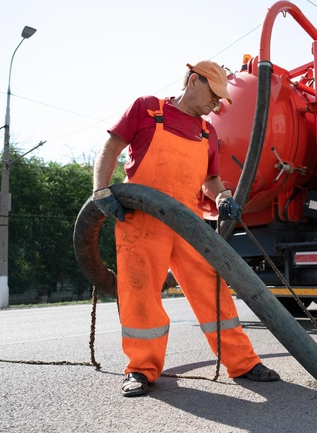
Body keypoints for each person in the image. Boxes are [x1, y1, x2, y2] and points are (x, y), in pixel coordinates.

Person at [92, 60, 280, 397]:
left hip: (188, 223)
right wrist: (101, 191)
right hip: (142, 220)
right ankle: (141, 369)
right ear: (194, 81)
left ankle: (243, 362)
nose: (217, 104)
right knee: (140, 292)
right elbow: (112, 146)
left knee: (213, 288)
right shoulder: (148, 109)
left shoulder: (208, 131)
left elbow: (210, 179)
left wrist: (223, 196)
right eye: (214, 94)